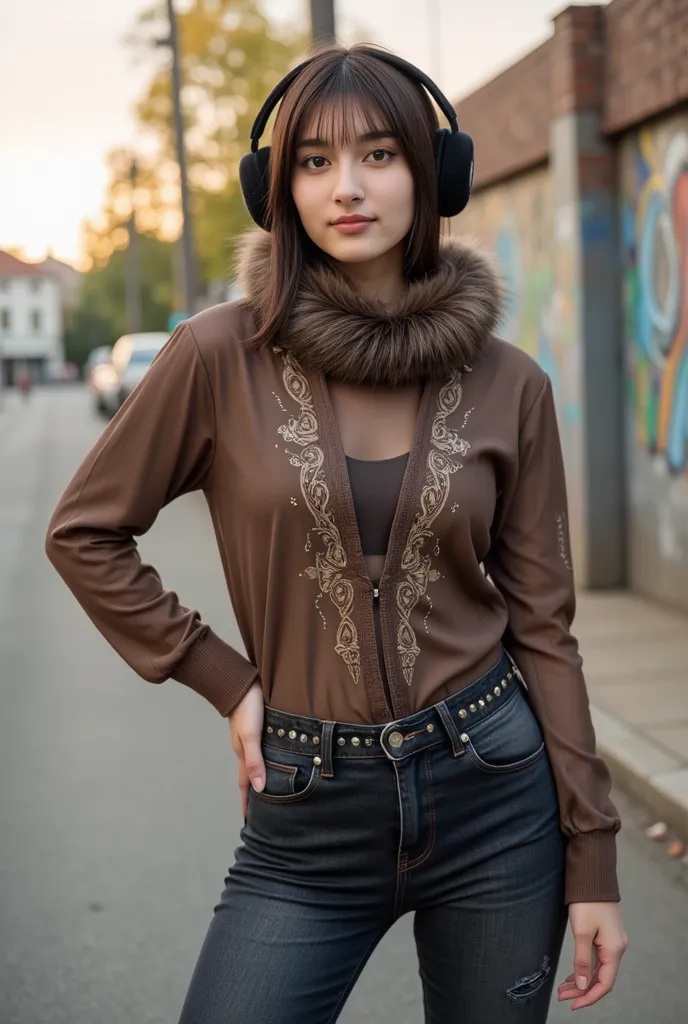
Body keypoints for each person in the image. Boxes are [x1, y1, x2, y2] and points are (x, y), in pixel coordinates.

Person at [46, 44, 627, 1023]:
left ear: (431, 174)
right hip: (304, 811)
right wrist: (225, 680)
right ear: (275, 189)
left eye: (378, 155)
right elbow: (85, 531)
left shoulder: (510, 383)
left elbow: (544, 626)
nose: (344, 187)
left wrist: (594, 857)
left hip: (494, 790)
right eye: (312, 161)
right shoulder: (214, 355)